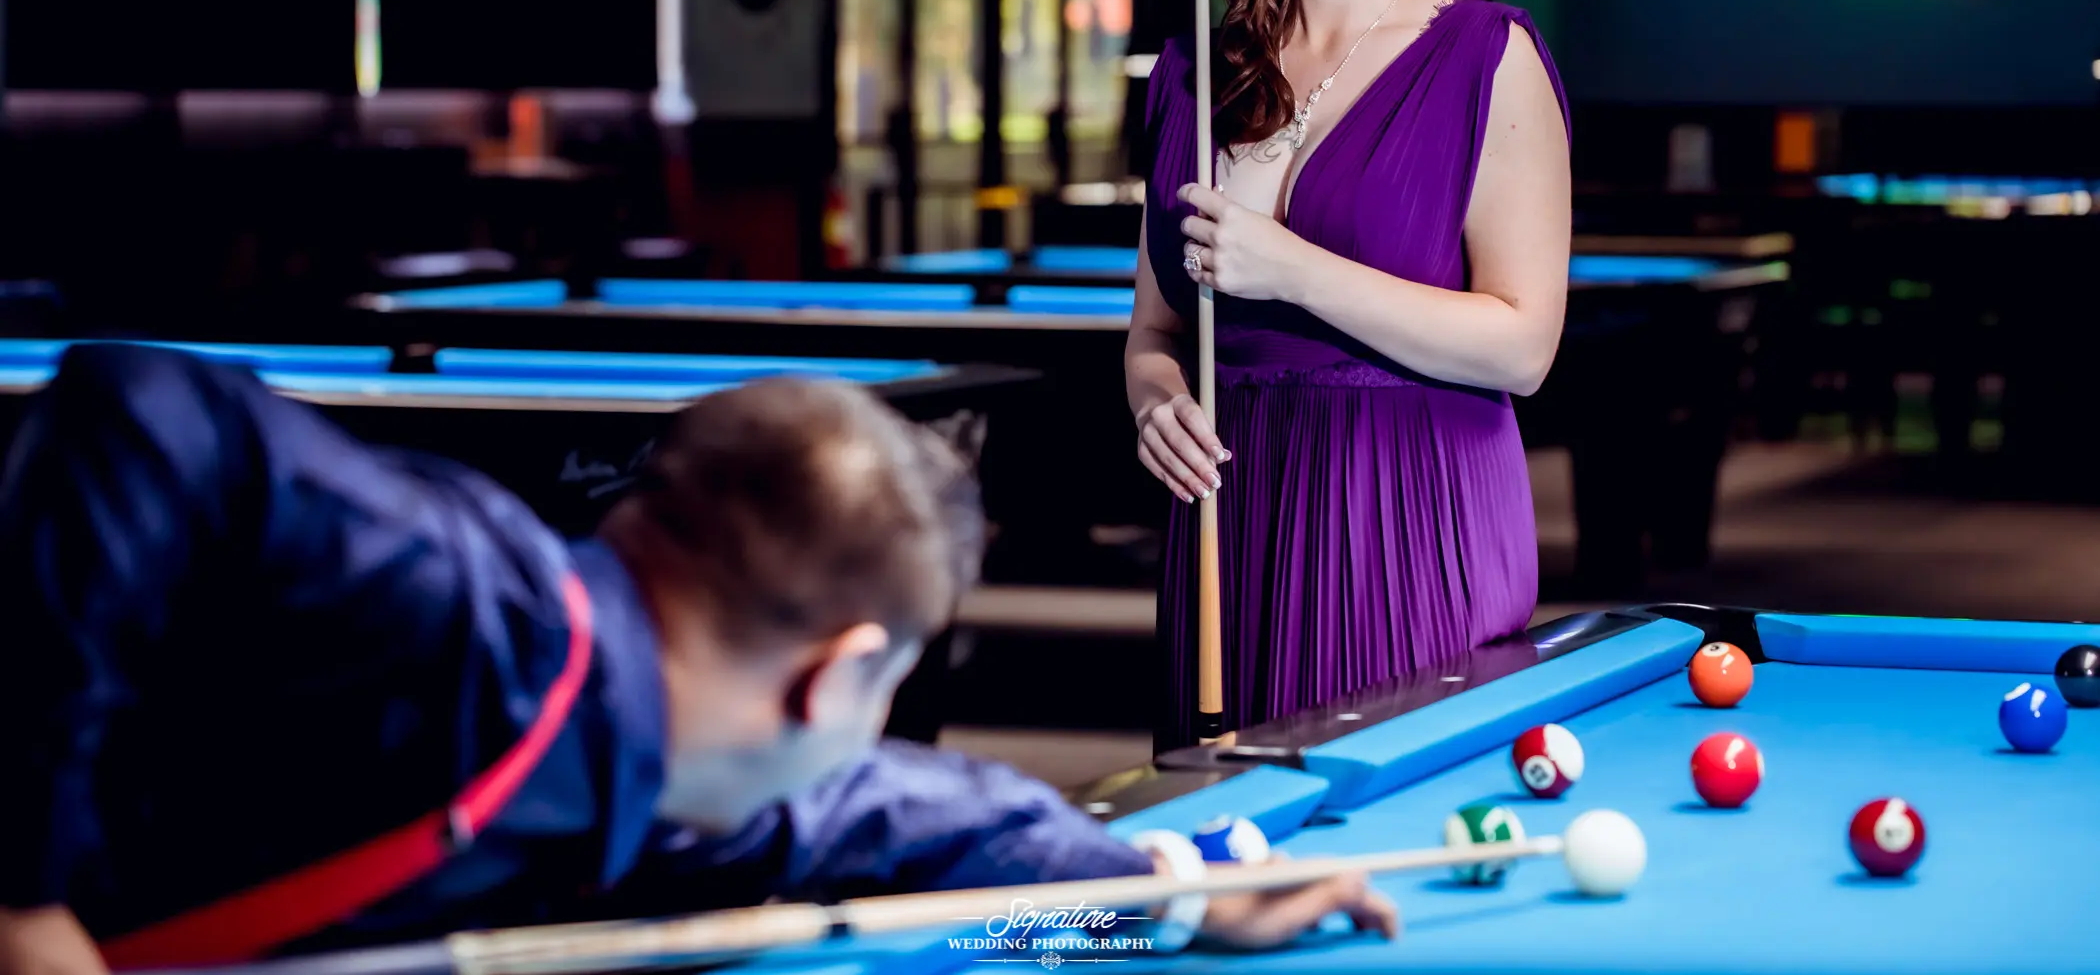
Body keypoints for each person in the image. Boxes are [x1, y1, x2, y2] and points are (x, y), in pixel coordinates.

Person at [0, 345, 1395, 975]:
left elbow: (901, 817)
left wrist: (1174, 895)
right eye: (885, 695)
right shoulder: (460, 591)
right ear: (837, 673)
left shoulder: (670, 786)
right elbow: (135, 413)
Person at [1126, 0, 1573, 749]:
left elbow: (1525, 346)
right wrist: (1155, 403)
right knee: (1223, 851)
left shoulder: (1485, 55)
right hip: (1232, 521)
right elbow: (1153, 332)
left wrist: (1294, 269)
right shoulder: (1194, 65)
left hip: (1412, 512)